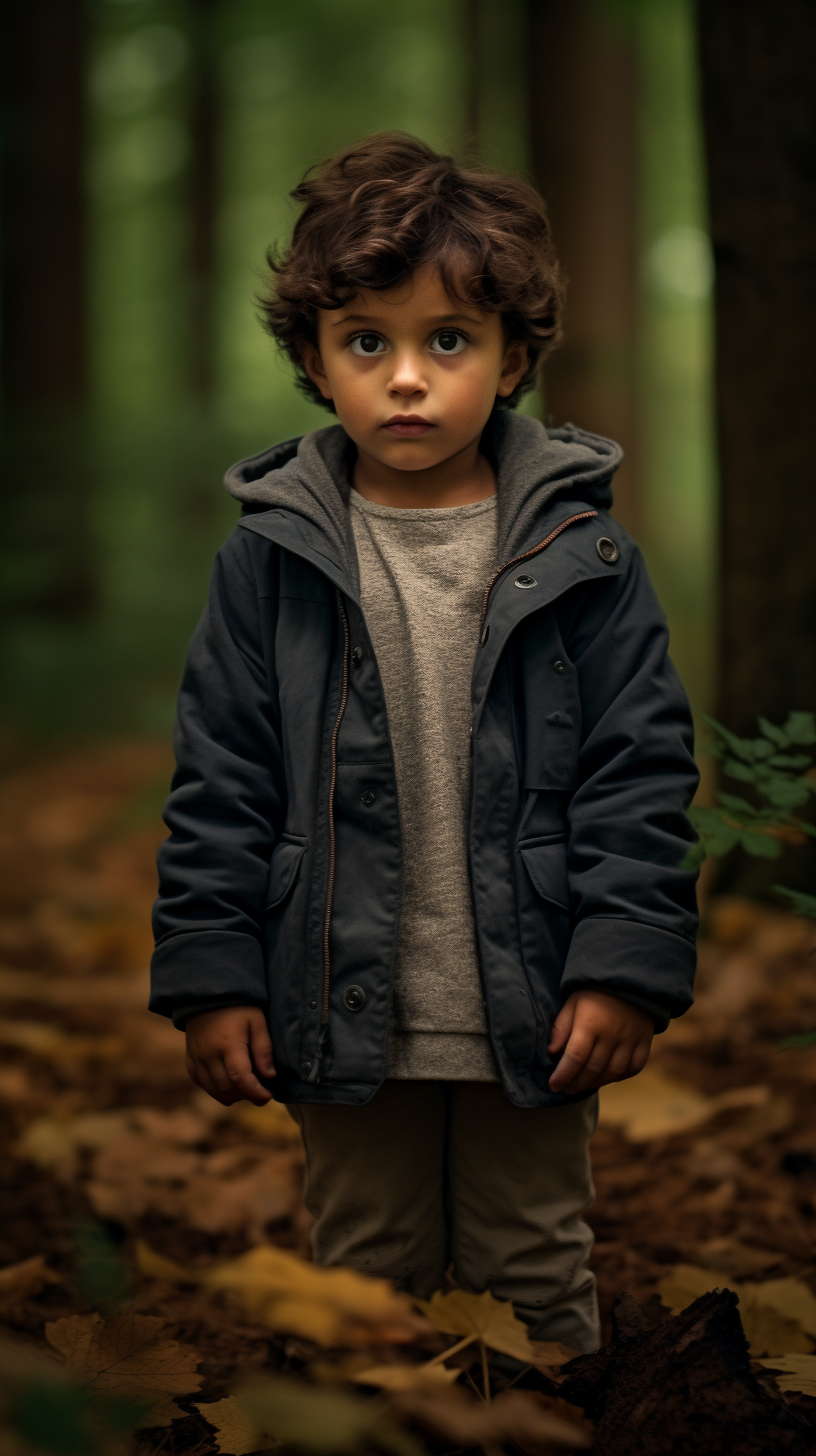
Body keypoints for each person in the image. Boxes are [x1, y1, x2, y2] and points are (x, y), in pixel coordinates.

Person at [149, 133, 699, 1351]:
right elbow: (221, 782)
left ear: (510, 362)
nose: (408, 377)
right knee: (364, 1275)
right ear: (314, 358)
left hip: (540, 998)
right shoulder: (270, 561)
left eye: (447, 339)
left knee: (531, 1271)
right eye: (367, 341)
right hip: (335, 996)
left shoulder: (586, 555)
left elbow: (641, 771)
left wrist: (624, 962)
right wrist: (213, 975)